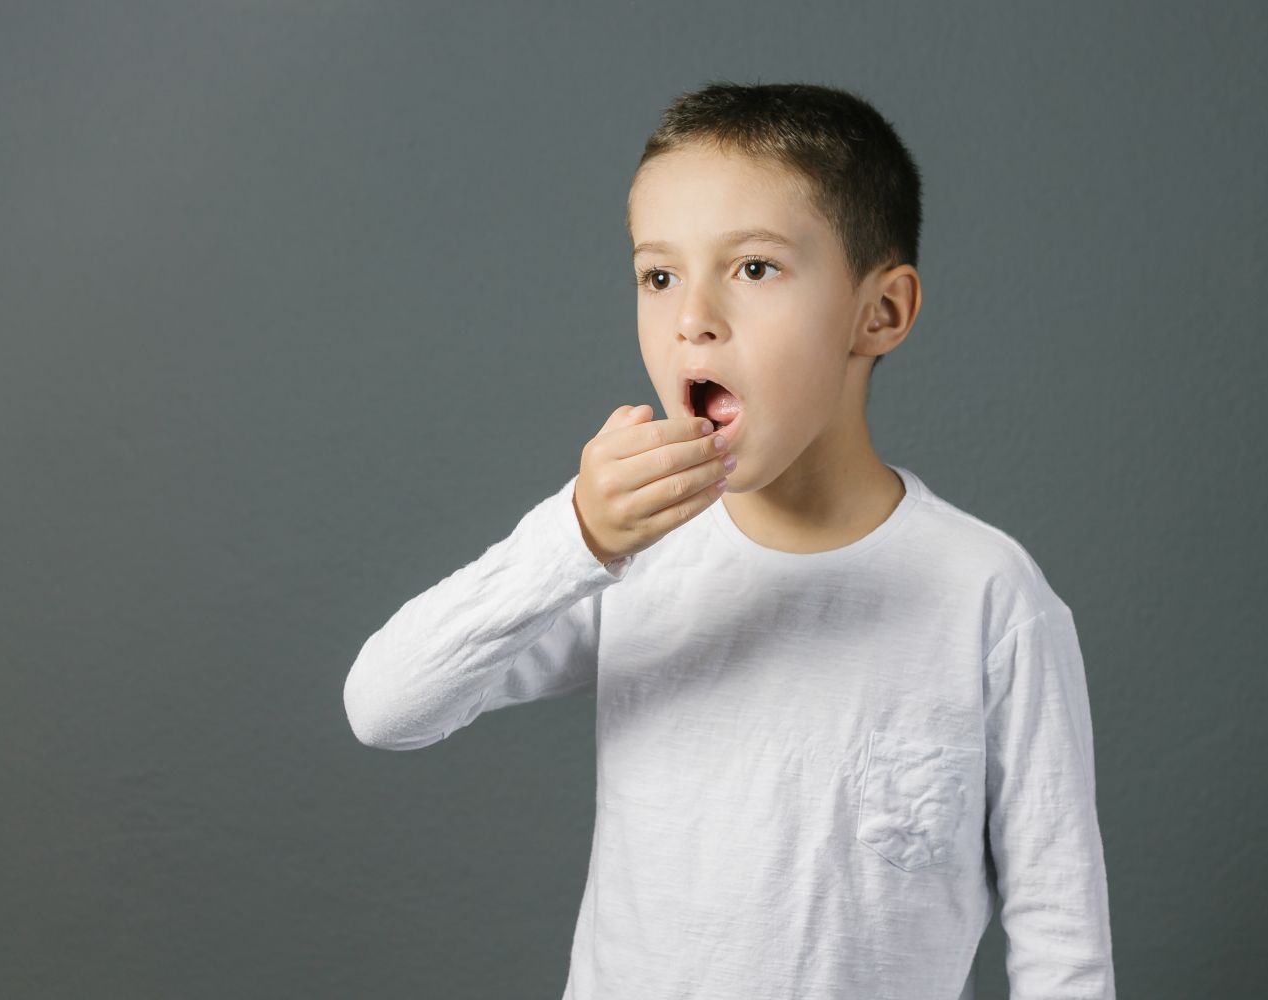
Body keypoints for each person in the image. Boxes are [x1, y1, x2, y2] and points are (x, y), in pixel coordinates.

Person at [343, 80, 1116, 1000]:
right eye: (658, 275)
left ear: (883, 312)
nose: (691, 316)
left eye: (754, 268)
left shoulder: (986, 594)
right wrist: (578, 536)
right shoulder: (626, 558)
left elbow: (1061, 934)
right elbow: (385, 706)